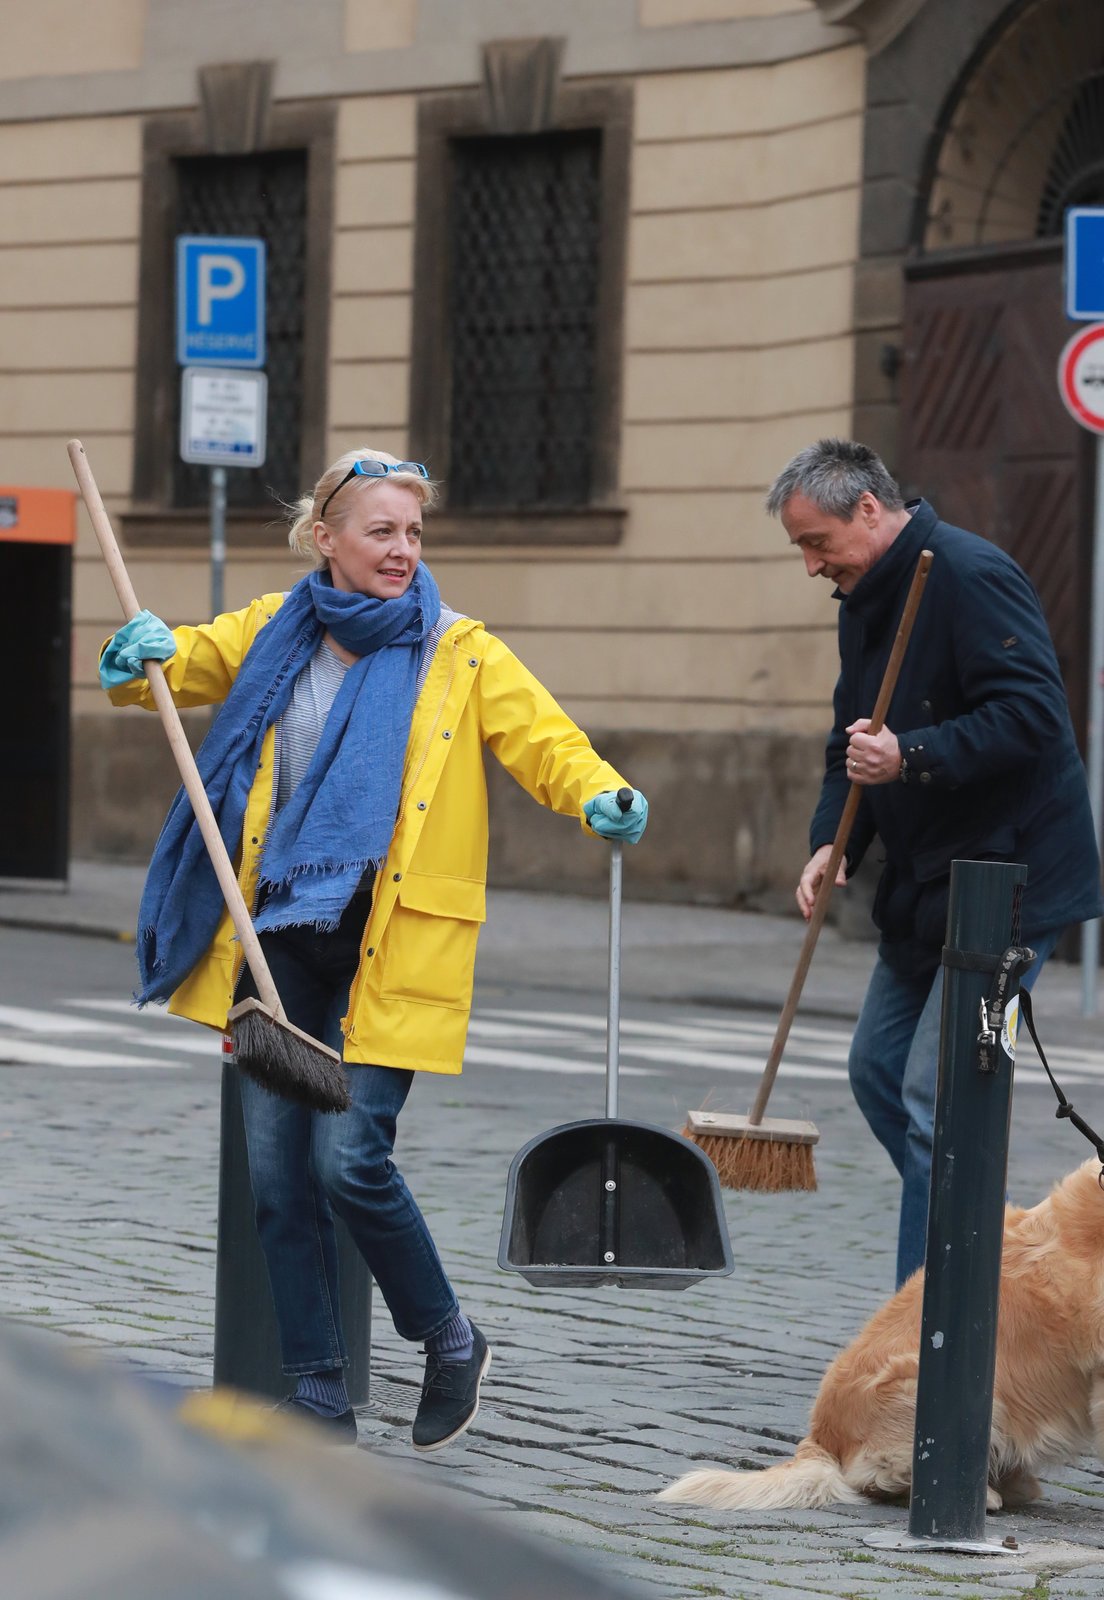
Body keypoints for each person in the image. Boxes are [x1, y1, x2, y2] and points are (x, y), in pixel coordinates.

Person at [100, 447, 649, 1450]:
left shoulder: (459, 649)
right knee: (278, 1181)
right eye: (381, 531)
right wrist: (140, 652)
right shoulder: (273, 628)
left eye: (414, 533)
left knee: (351, 1160)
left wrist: (600, 795)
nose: (402, 550)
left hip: (395, 944)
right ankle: (317, 1393)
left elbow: (548, 743)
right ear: (328, 538)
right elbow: (175, 666)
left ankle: (448, 1338)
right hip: (279, 942)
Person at [767, 438, 1102, 1289]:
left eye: (817, 543)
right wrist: (830, 841)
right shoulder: (863, 598)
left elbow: (1031, 717)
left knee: (932, 1100)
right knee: (877, 1072)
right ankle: (977, 1236)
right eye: (801, 547)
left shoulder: (969, 573)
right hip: (928, 883)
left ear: (869, 511)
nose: (810, 566)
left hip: (1011, 883)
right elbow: (850, 740)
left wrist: (910, 755)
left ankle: (929, 1317)